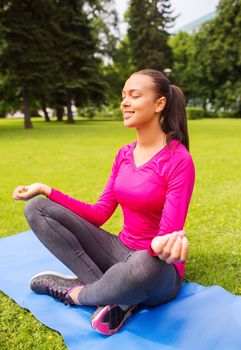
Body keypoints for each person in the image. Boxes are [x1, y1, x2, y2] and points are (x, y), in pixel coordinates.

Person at [13, 69, 195, 336]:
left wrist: (161, 247)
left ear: (160, 104)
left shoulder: (179, 161)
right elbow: (99, 214)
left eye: (134, 95)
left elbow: (167, 234)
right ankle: (116, 296)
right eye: (123, 96)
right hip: (117, 251)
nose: (124, 102)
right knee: (37, 209)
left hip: (156, 268)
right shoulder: (124, 154)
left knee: (144, 266)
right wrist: (47, 190)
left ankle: (76, 293)